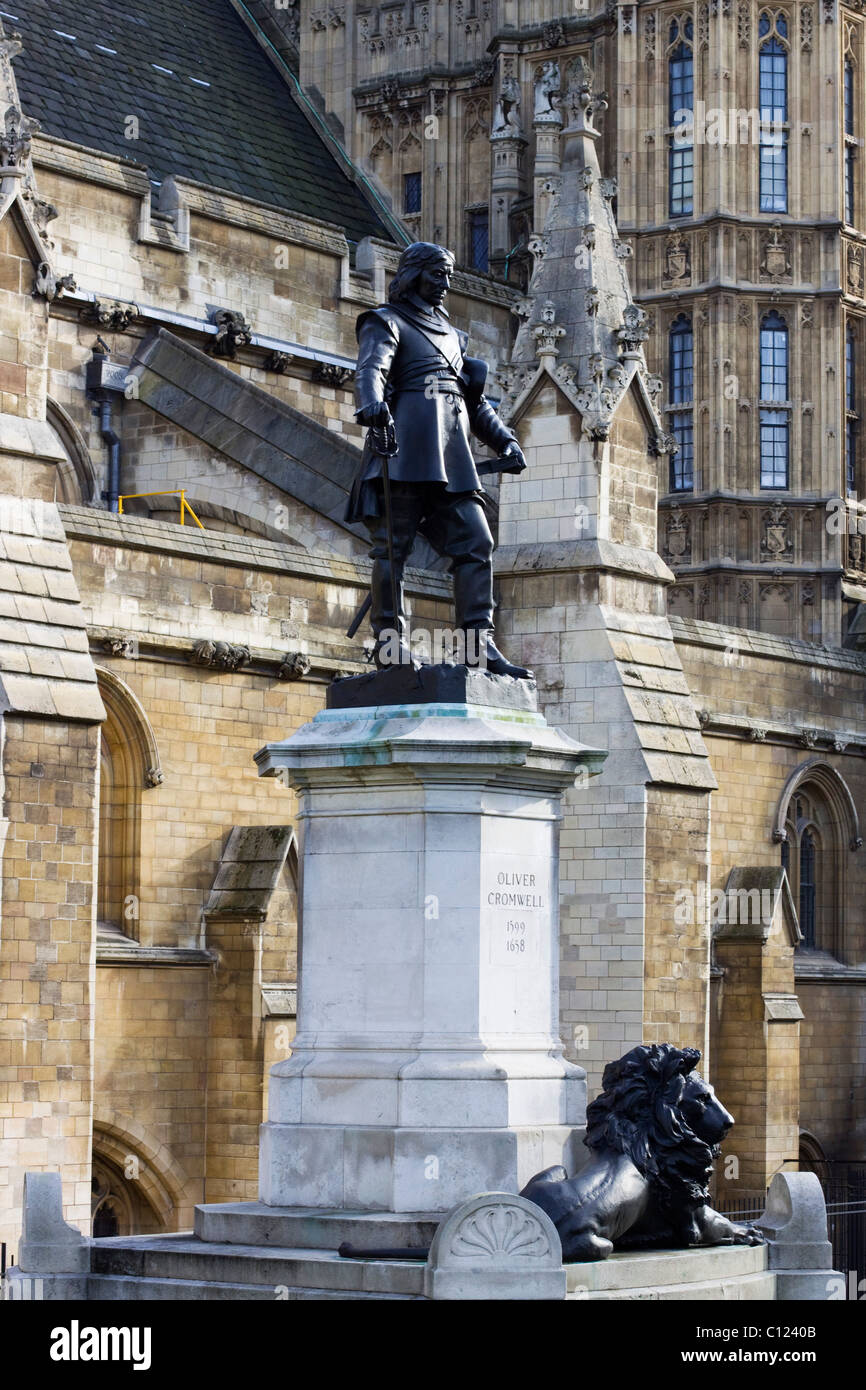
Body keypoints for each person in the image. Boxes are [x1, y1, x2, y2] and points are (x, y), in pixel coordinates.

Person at [347, 240, 532, 679]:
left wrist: (504, 439)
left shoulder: (454, 336)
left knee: (476, 543)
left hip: (452, 456)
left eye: (448, 275)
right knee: (392, 550)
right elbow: (371, 368)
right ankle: (390, 645)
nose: (445, 283)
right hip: (404, 449)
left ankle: (477, 644)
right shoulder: (386, 321)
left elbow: (474, 402)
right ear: (413, 275)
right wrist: (371, 404)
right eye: (436, 274)